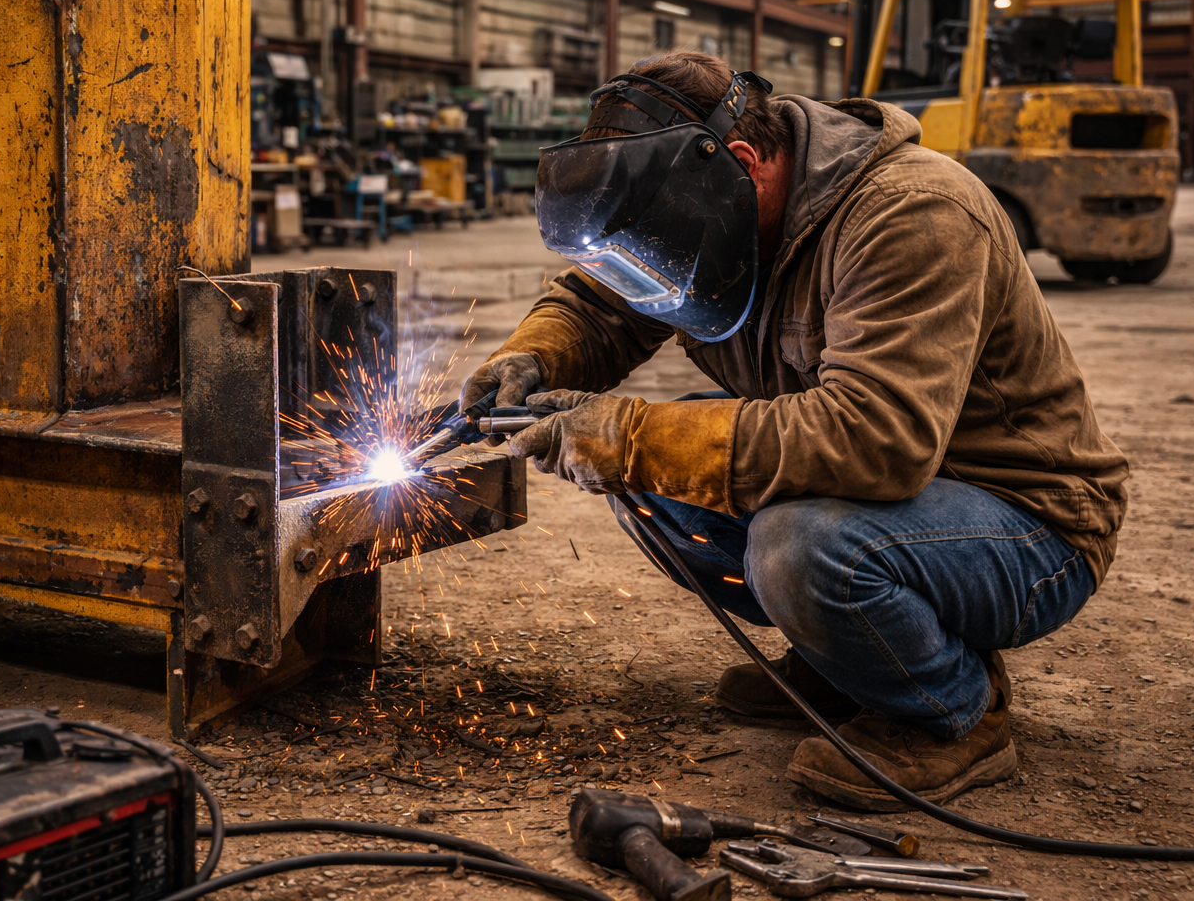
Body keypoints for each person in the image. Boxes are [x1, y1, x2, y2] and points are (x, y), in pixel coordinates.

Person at [460, 50, 1127, 812]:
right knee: (654, 485)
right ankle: (849, 663)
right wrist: (530, 358)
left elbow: (876, 441)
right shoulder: (717, 211)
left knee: (795, 544)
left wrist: (632, 436)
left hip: (1026, 524)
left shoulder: (915, 212)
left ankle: (956, 713)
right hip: (892, 503)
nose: (654, 266)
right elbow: (602, 301)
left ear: (741, 162)